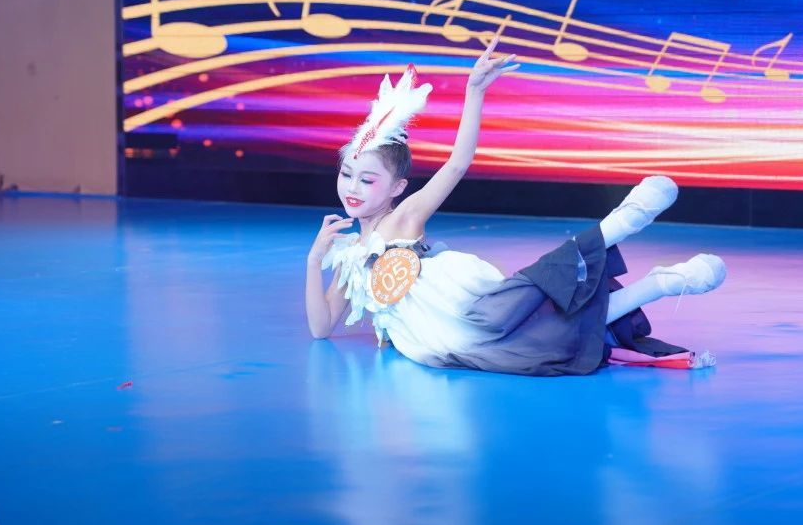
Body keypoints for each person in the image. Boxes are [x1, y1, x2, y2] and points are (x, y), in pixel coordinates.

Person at [304, 38, 725, 375]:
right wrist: (314, 260)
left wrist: (474, 92)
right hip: (442, 344)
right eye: (347, 174)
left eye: (367, 179)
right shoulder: (350, 260)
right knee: (552, 340)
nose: (352, 188)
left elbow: (457, 163)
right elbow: (321, 328)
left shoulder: (403, 218)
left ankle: (622, 221)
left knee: (536, 300)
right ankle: (660, 284)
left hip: (473, 309)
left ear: (397, 187)